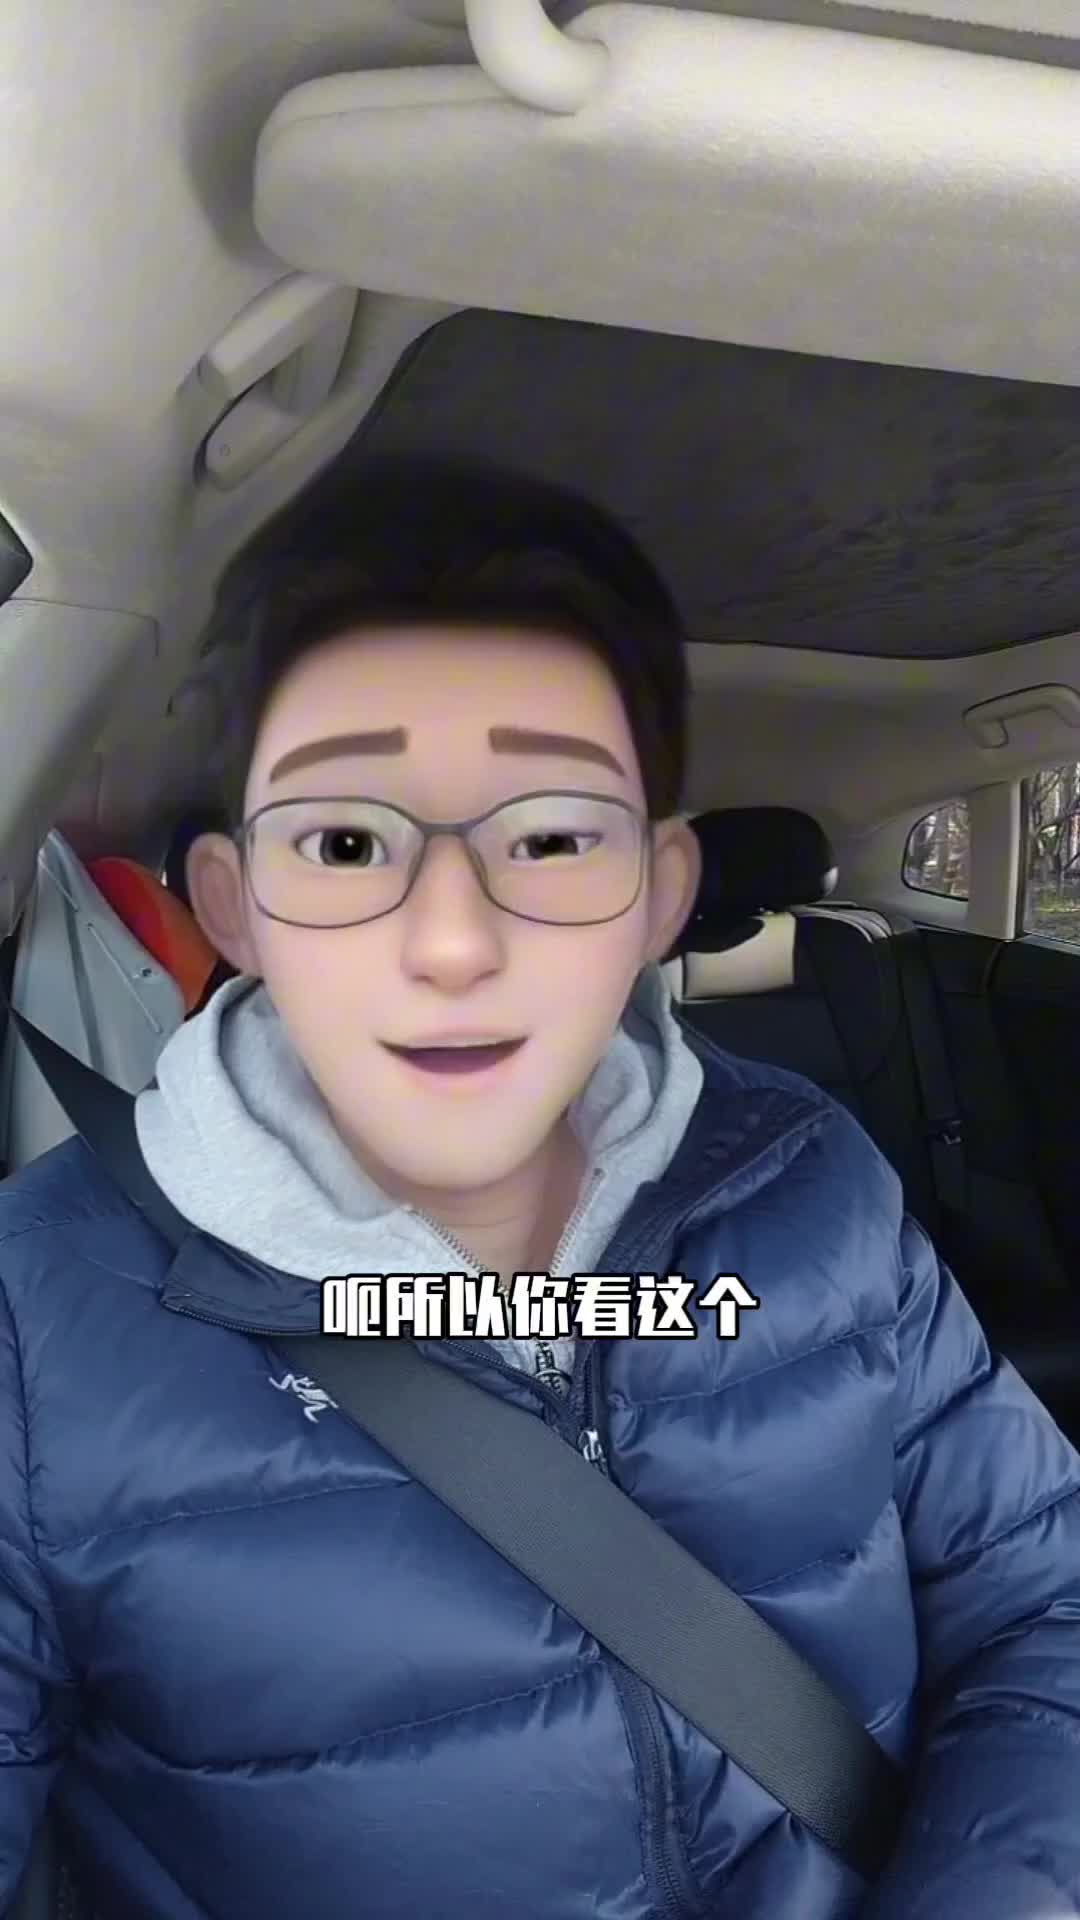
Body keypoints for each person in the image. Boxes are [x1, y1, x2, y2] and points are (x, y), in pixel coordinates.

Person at [1, 455, 1079, 1920]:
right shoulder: (35, 1316)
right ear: (237, 908)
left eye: (555, 836)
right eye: (345, 841)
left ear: (659, 897)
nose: (453, 942)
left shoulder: (813, 1181)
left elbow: (1045, 1603)